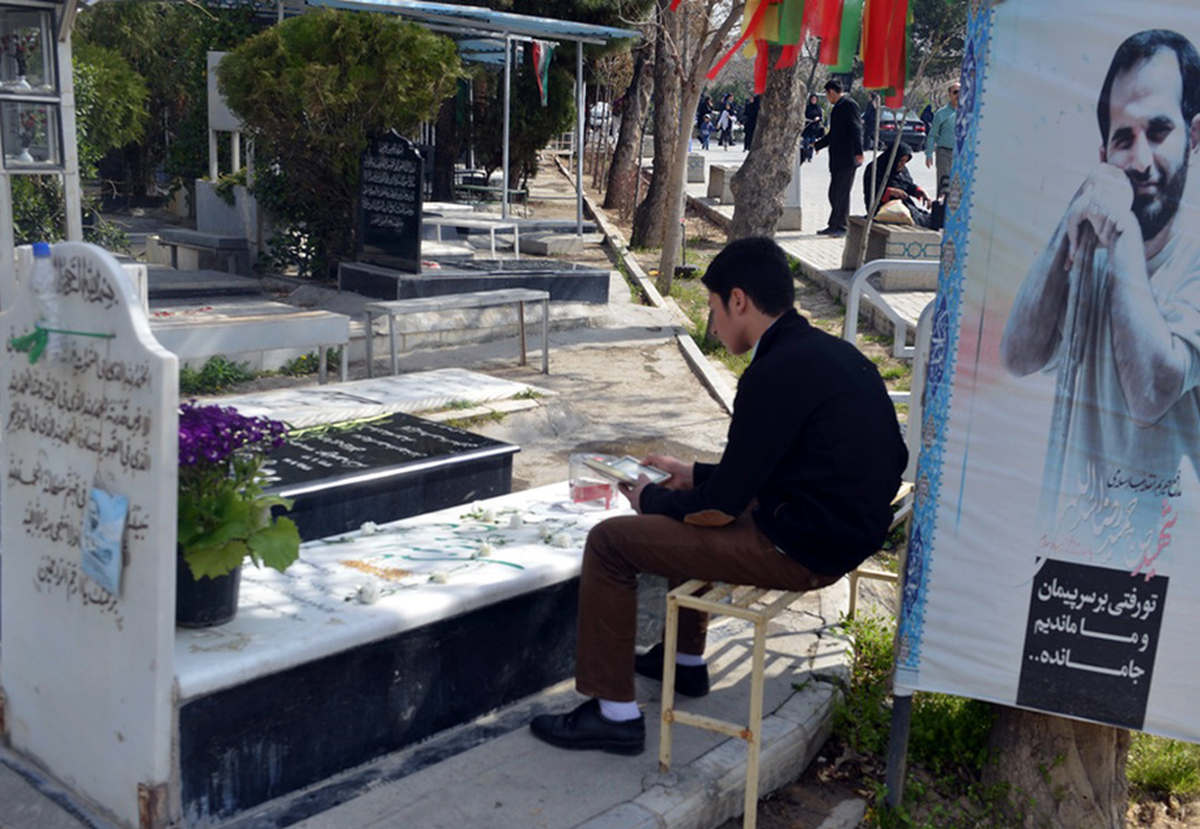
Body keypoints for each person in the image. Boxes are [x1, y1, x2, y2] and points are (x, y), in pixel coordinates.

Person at [528, 237, 908, 756]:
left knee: (611, 542)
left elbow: (721, 507)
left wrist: (649, 500)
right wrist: (691, 473)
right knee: (688, 511)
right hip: (839, 530)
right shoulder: (828, 353)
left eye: (712, 308)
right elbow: (769, 467)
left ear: (738, 300)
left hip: (805, 548)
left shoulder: (770, 374)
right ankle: (684, 663)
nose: (712, 323)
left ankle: (612, 714)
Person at [1000, 29, 1200, 544]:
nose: (1140, 162)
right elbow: (1018, 355)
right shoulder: (1090, 242)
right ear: (1103, 152)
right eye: (1123, 140)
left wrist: (1124, 232)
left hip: (1171, 556)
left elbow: (1151, 394)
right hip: (1076, 537)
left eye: (1159, 131)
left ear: (1194, 134)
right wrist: (1076, 208)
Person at [814, 79, 864, 236]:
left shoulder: (849, 105)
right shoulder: (838, 107)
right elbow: (834, 134)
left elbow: (856, 129)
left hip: (847, 157)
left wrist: (859, 151)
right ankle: (834, 224)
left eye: (827, 94)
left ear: (831, 91)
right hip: (837, 158)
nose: (827, 98)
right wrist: (818, 145)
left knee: (841, 193)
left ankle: (841, 226)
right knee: (834, 193)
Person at [862, 142, 936, 228]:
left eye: (905, 161)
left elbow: (908, 185)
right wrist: (891, 192)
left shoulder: (902, 170)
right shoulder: (875, 169)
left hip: (902, 205)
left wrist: (920, 192)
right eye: (900, 161)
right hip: (882, 208)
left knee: (929, 218)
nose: (902, 164)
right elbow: (871, 193)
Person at [924, 81, 960, 198]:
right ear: (949, 94)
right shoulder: (941, 113)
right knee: (944, 183)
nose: (958, 95)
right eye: (955, 92)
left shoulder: (967, 113)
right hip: (944, 153)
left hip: (960, 154)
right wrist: (929, 154)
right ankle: (941, 206)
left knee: (958, 184)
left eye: (961, 92)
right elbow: (932, 134)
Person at [801, 93, 824, 163]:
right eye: (812, 99)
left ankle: (809, 156)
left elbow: (821, 118)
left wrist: (818, 118)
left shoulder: (818, 108)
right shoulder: (807, 108)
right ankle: (804, 155)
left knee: (812, 142)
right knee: (806, 142)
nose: (814, 100)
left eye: (815, 99)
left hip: (814, 129)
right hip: (807, 128)